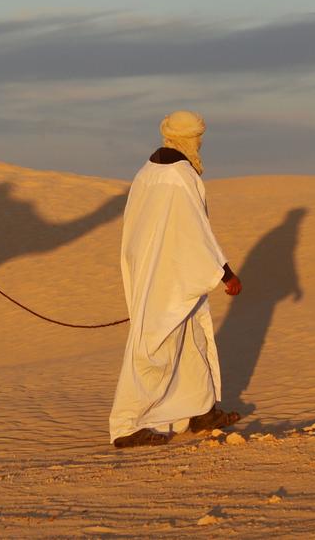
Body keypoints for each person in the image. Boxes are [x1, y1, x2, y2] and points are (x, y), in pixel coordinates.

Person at [109, 110, 243, 448]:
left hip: (162, 267)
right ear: (187, 138)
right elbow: (197, 230)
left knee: (192, 338)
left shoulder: (148, 171)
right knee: (153, 346)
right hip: (167, 272)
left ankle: (199, 410)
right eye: (197, 137)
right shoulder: (180, 175)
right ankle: (126, 425)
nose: (200, 143)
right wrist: (225, 273)